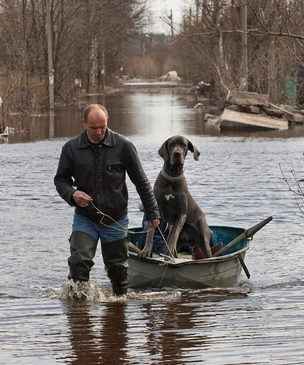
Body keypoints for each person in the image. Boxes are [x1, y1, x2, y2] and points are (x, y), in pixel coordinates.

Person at [54, 104, 160, 296]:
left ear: (107, 121)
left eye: (102, 126)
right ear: (84, 123)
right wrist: (72, 194)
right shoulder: (71, 148)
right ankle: (79, 313)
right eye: (93, 128)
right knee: (79, 261)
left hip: (116, 218)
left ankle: (118, 312)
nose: (99, 132)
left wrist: (152, 212)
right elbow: (61, 180)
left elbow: (141, 181)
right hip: (85, 218)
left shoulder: (123, 145)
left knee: (118, 271)